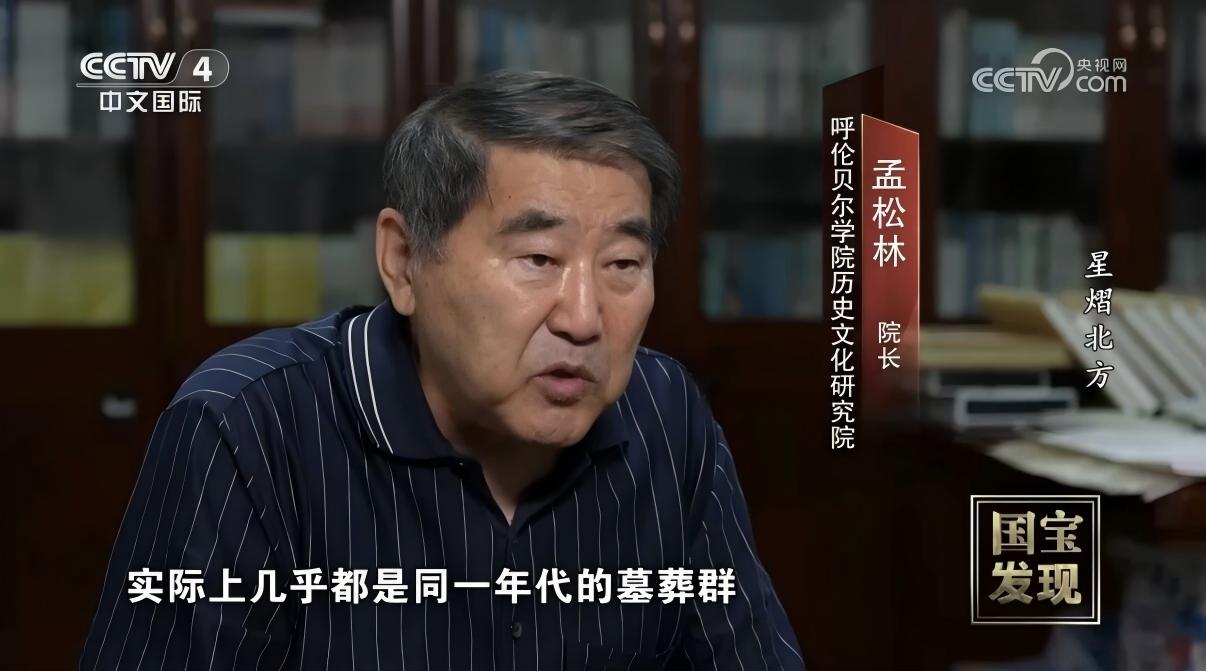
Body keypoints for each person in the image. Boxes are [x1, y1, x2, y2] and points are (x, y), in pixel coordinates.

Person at [80, 70, 805, 670]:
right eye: (538, 259)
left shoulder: (664, 412)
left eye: (622, 264)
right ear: (403, 261)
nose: (584, 318)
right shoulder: (249, 425)